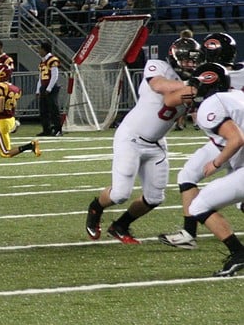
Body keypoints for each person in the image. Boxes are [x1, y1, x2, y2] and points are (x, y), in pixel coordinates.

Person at [85, 37, 199, 244]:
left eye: (193, 61)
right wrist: (189, 85)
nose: (190, 65)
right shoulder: (159, 66)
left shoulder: (196, 83)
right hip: (131, 137)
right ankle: (96, 207)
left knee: (155, 198)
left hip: (157, 143)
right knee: (120, 194)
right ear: (174, 57)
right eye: (185, 60)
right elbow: (158, 86)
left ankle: (120, 225)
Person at [159, 33, 243, 250]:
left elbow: (170, 100)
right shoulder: (235, 72)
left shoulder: (210, 75)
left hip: (227, 141)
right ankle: (190, 232)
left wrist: (189, 85)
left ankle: (189, 232)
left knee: (190, 178)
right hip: (231, 136)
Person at [175, 64, 244, 276]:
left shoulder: (211, 105)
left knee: (198, 206)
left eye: (196, 84)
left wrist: (215, 163)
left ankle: (239, 254)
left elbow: (236, 139)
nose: (193, 91)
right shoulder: (236, 96)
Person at [0, 57, 39, 159]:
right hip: (9, 118)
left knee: (5, 153)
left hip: (1, 120)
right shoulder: (15, 88)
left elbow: (0, 108)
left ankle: (30, 145)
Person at [37, 41, 63, 137]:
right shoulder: (42, 61)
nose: (39, 51)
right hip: (44, 86)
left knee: (53, 109)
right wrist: (38, 89)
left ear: (44, 49)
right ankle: (46, 129)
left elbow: (55, 75)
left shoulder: (52, 59)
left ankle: (58, 129)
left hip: (51, 87)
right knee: (43, 110)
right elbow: (40, 77)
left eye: (40, 49)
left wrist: (49, 88)